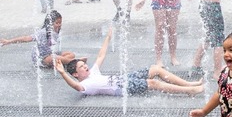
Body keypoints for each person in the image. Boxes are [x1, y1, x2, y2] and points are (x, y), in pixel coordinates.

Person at [56, 26, 204, 96]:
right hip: (121, 88)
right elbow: (75, 87)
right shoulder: (85, 85)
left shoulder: (93, 72)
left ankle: (189, 84)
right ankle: (189, 91)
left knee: (155, 69)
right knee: (153, 83)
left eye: (84, 64)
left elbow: (101, 56)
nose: (86, 67)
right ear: (75, 74)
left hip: (125, 78)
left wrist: (108, 38)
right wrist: (63, 73)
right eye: (82, 67)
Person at [0, 10, 79, 68]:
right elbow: (26, 38)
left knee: (71, 54)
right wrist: (9, 41)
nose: (59, 25)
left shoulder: (57, 31)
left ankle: (64, 62)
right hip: (41, 58)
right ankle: (75, 62)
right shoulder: (42, 33)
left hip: (50, 54)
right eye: (57, 23)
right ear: (50, 23)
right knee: (54, 58)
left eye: (60, 22)